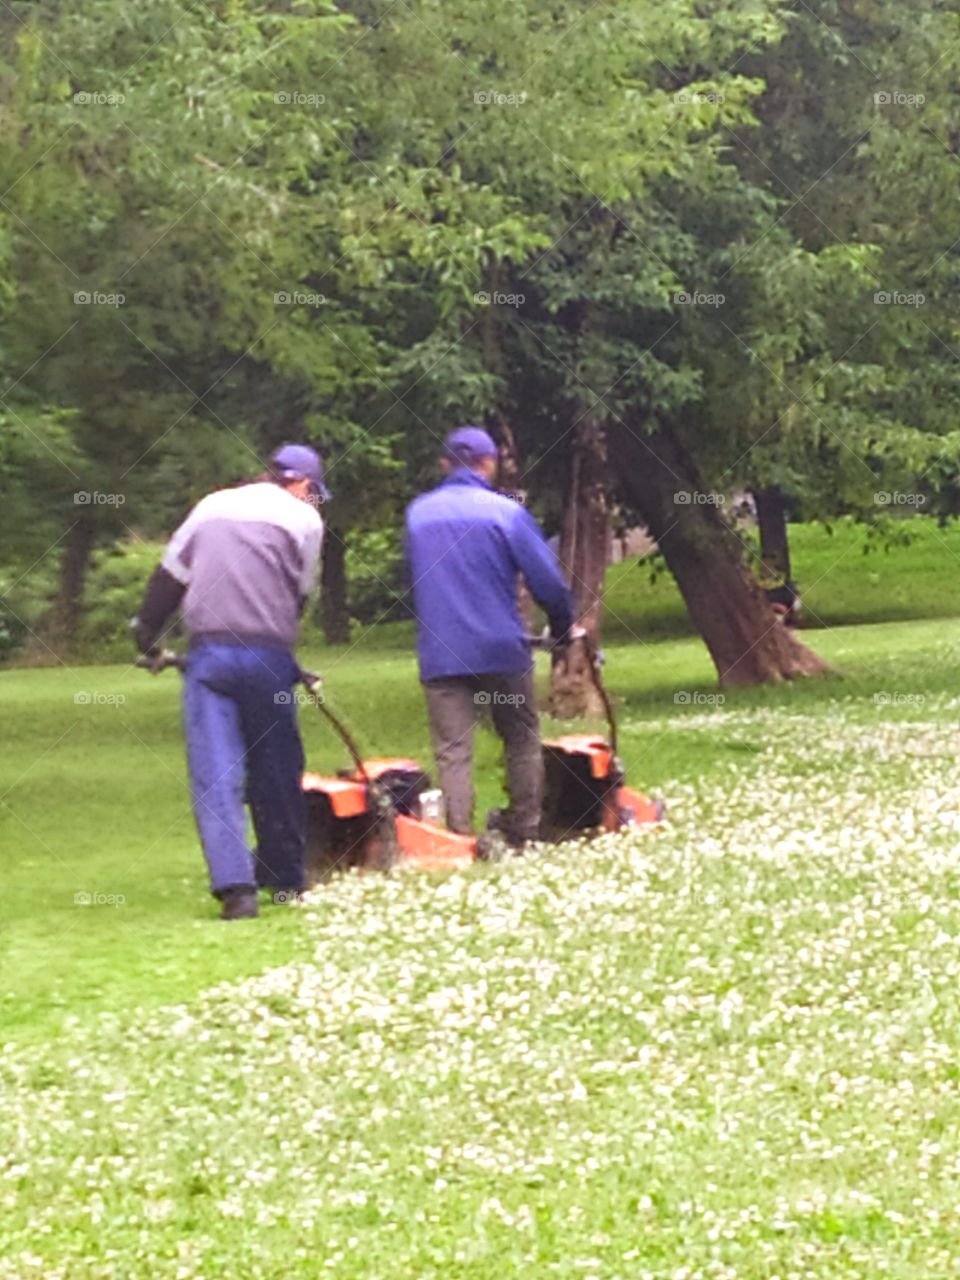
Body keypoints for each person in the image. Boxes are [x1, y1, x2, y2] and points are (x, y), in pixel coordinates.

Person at [132, 445, 327, 920]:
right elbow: (298, 597)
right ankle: (285, 880)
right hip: (268, 657)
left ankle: (236, 890)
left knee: (215, 771)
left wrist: (147, 639)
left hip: (209, 657)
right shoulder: (306, 521)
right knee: (277, 766)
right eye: (316, 493)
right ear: (302, 485)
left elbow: (167, 582)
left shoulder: (210, 506)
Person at [405, 426, 575, 851]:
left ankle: (460, 839)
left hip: (441, 651)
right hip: (501, 648)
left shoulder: (418, 515)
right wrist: (562, 627)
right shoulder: (506, 513)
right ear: (489, 464)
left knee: (453, 748)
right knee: (519, 736)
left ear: (445, 464)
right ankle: (525, 828)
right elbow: (548, 583)